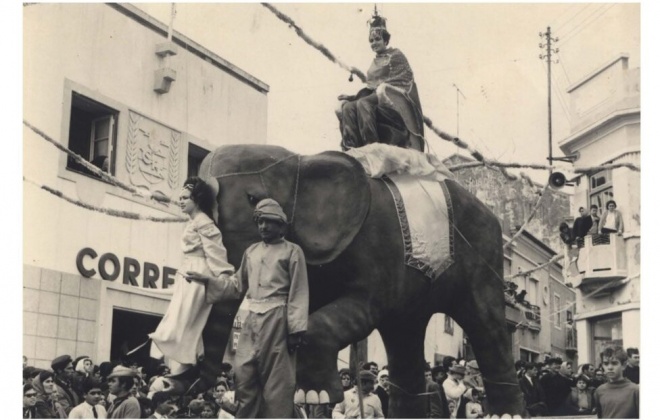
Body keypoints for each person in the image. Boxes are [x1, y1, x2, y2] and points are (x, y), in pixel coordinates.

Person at [187, 198, 309, 418]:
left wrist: (295, 329)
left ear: (280, 224)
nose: (262, 226)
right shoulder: (251, 251)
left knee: (278, 384)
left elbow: (298, 291)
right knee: (244, 375)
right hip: (252, 318)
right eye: (259, 222)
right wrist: (207, 280)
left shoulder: (292, 251)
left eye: (268, 222)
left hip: (278, 319)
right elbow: (236, 286)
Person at [148, 177, 235, 377]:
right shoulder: (193, 220)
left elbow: (216, 254)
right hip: (186, 272)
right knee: (178, 318)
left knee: (187, 320)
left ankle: (187, 362)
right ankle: (184, 362)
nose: (181, 201)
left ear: (197, 200)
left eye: (185, 198)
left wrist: (221, 278)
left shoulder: (204, 223)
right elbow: (173, 201)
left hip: (197, 274)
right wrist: (155, 196)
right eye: (180, 197)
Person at [335, 12, 424, 151]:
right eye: (371, 41)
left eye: (377, 39)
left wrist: (383, 88)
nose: (374, 43)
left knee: (363, 104)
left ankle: (372, 147)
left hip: (390, 95)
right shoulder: (375, 61)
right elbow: (370, 86)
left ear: (385, 41)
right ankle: (352, 148)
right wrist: (352, 97)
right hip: (374, 94)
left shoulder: (396, 55)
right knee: (348, 107)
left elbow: (404, 78)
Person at [593, 346, 639, 418]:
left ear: (623, 365)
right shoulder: (599, 391)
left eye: (614, 363)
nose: (610, 367)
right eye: (606, 363)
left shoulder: (635, 390)